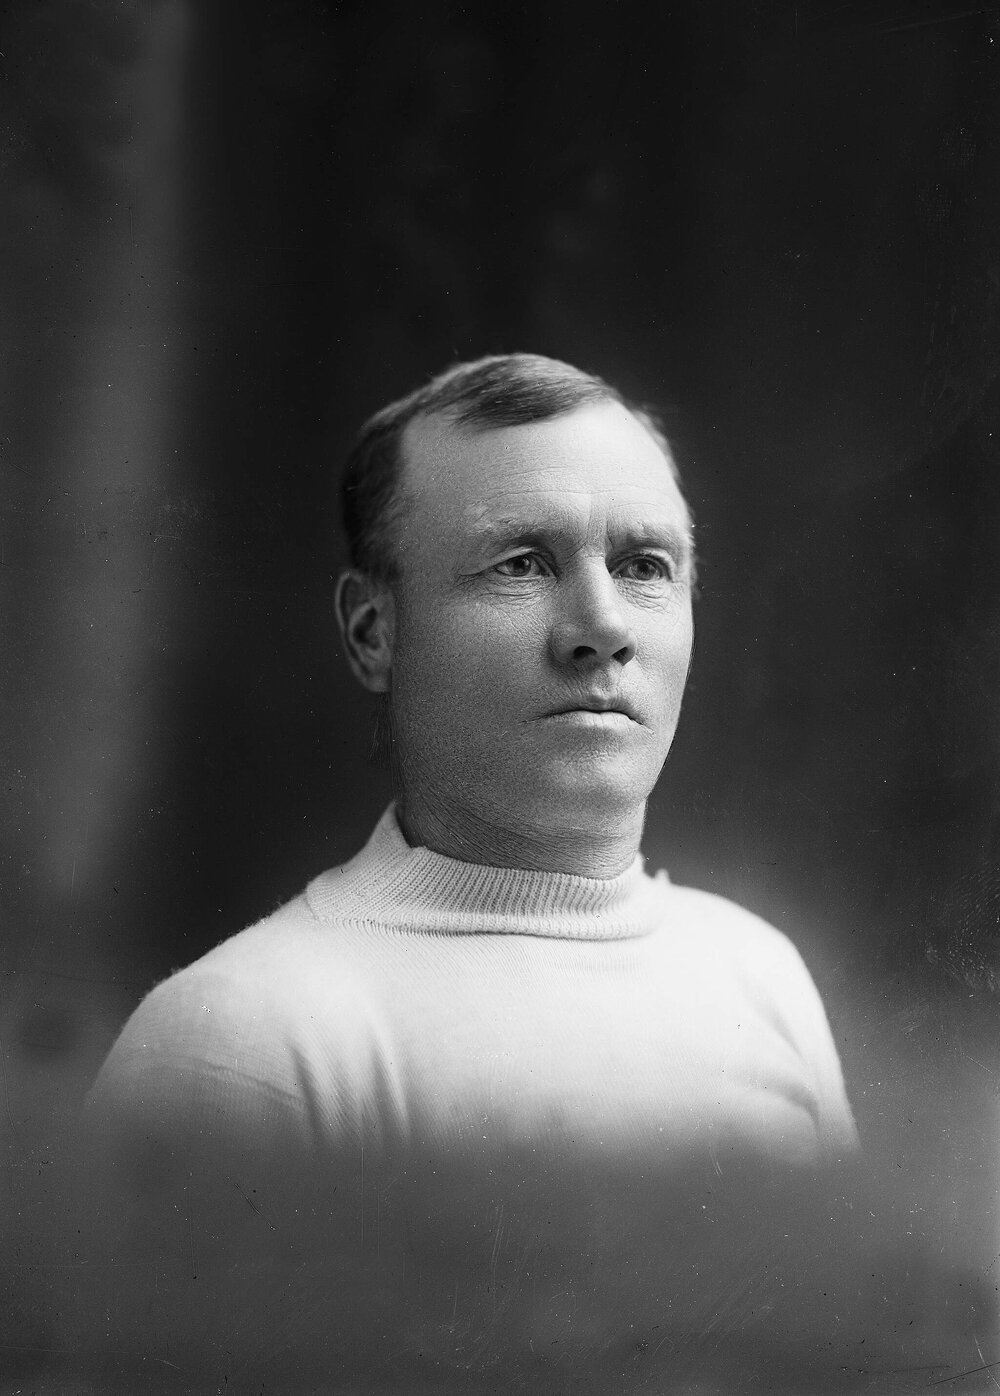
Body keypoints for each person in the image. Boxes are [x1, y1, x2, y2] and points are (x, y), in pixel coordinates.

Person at [76, 354, 859, 1391]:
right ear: (373, 631)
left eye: (644, 565)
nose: (601, 628)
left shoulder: (759, 976)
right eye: (521, 563)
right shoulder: (243, 1039)